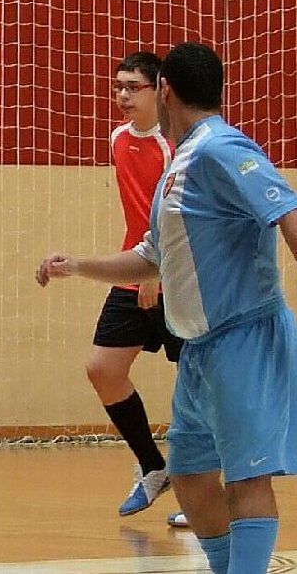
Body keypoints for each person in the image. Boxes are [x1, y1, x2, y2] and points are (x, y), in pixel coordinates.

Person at [36, 42, 297, 574]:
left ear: (165, 90)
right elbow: (151, 257)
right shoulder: (179, 164)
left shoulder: (221, 149)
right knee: (188, 474)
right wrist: (79, 266)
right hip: (201, 348)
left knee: (247, 477)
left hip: (244, 337)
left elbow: (289, 207)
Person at [71, 52, 185, 521]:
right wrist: (139, 271)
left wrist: (155, 274)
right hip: (133, 266)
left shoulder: (176, 145)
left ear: (159, 91)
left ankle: (210, 491)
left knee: (201, 384)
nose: (121, 95)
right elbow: (140, 215)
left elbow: (174, 218)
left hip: (177, 276)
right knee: (103, 369)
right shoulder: (118, 139)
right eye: (117, 86)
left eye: (132, 87)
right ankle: (153, 467)